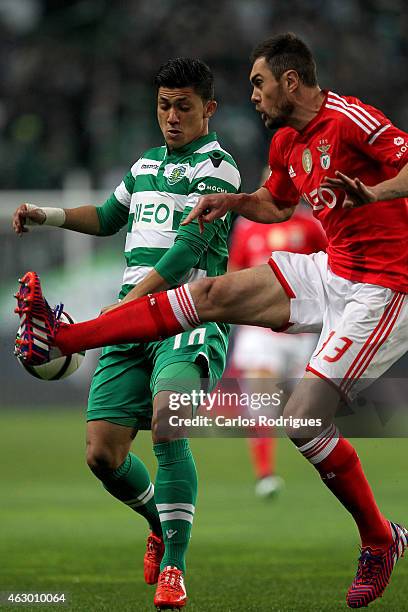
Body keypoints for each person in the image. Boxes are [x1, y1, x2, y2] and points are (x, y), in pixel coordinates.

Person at [14, 33, 408, 609]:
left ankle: (379, 538)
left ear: (289, 81)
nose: (253, 95)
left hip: (384, 286)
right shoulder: (285, 143)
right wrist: (235, 203)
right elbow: (275, 205)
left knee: (300, 419)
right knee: (210, 292)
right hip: (334, 269)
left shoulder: (349, 119)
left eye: (258, 82)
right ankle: (64, 336)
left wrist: (373, 193)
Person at [13, 57, 240, 610]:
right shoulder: (143, 165)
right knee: (102, 456)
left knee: (168, 424)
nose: (171, 116)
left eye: (183, 105)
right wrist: (46, 214)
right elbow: (109, 216)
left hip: (187, 316)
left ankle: (175, 570)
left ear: (208, 108)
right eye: (164, 104)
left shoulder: (220, 169)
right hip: (130, 322)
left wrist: (131, 304)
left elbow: (188, 250)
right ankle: (157, 521)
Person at [229, 190, 326, 498]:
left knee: (307, 413)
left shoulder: (311, 226)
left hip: (302, 332)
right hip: (259, 332)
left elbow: (331, 269)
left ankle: (329, 473)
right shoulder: (247, 228)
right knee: (261, 402)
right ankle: (265, 473)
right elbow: (234, 272)